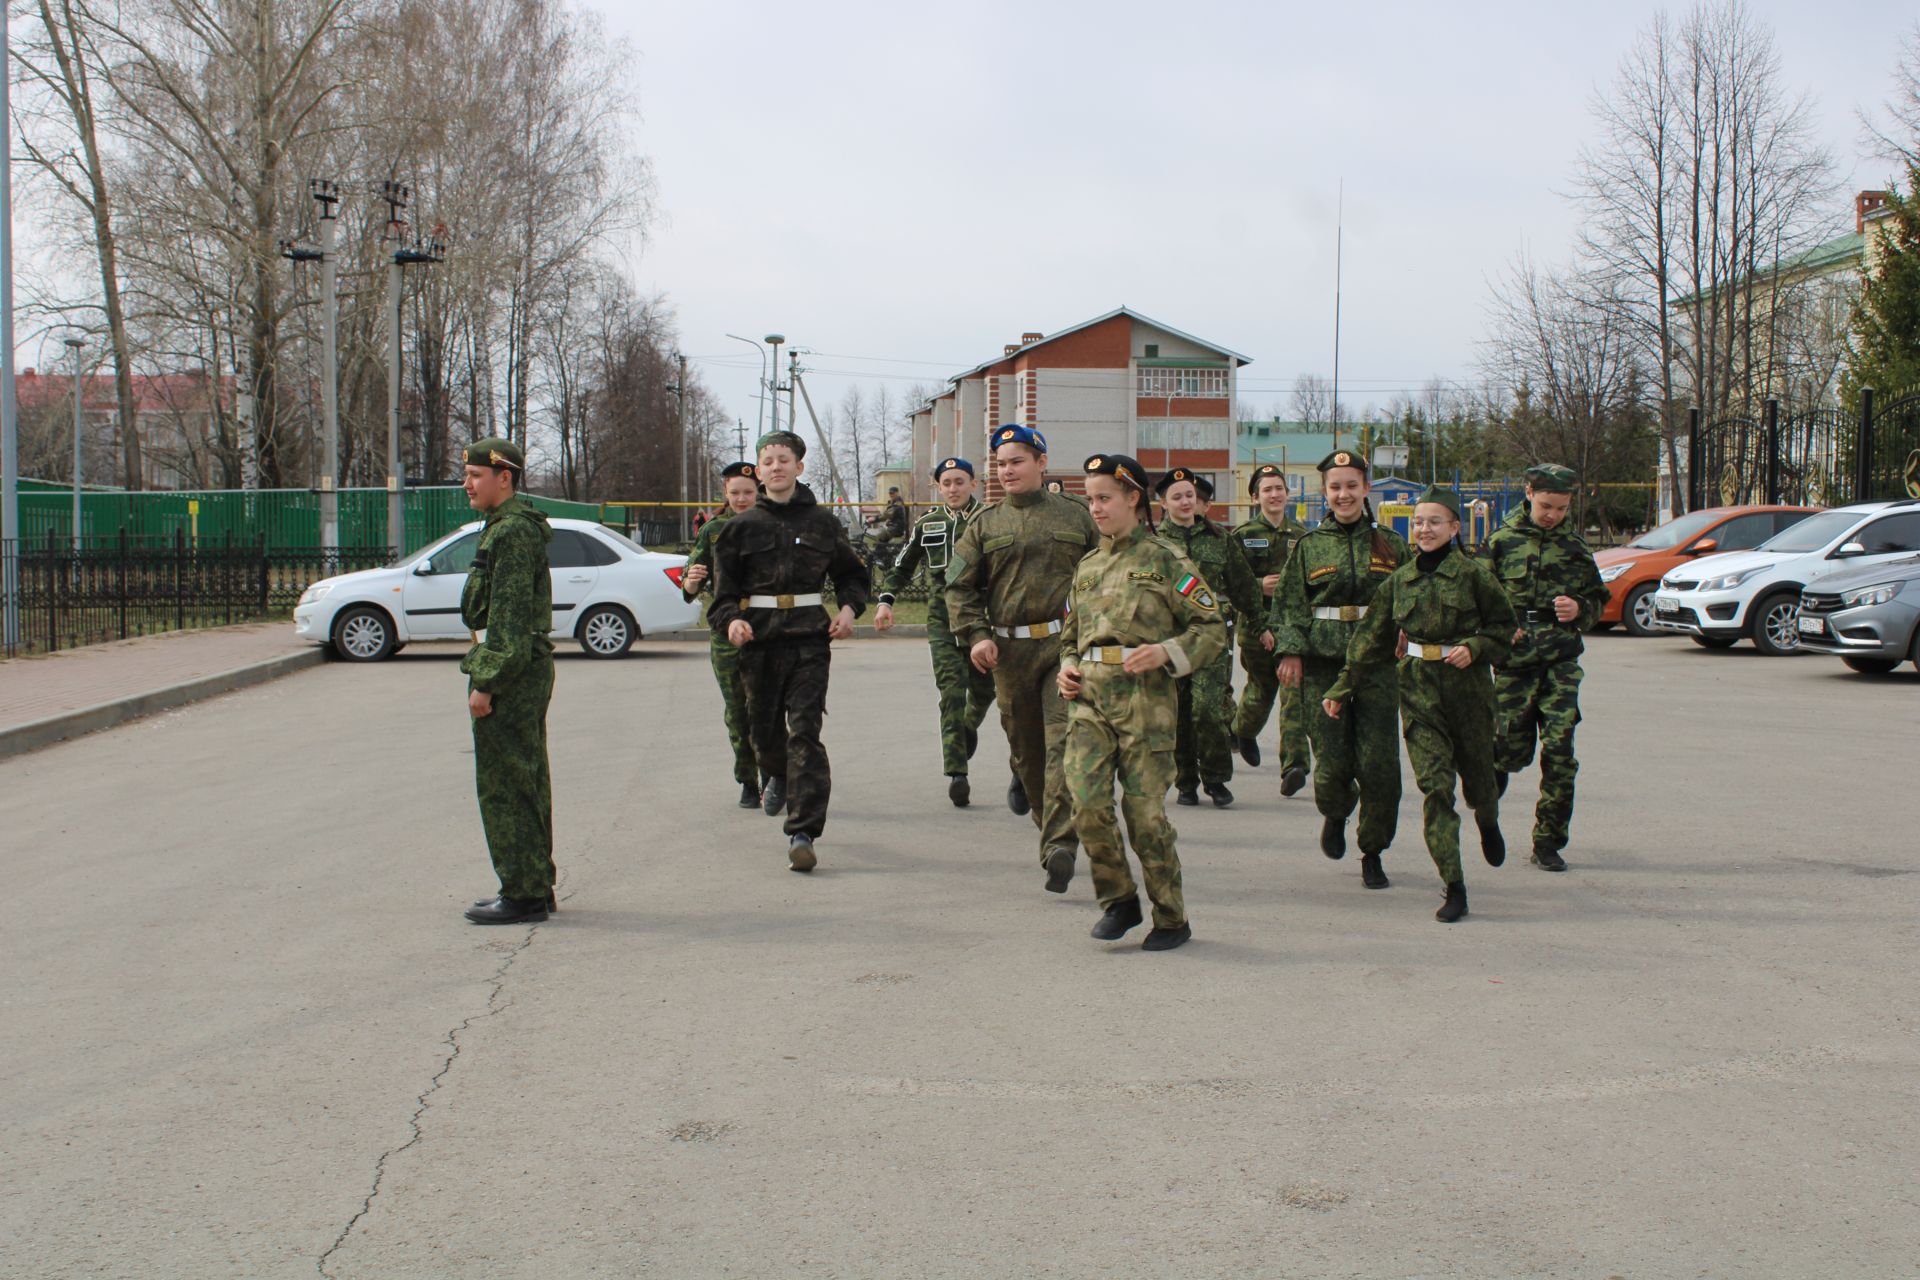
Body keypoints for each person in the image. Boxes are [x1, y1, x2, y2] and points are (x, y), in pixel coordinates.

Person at [1058, 453, 1226, 951]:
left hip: (1145, 704)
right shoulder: (1087, 566)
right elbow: (1071, 635)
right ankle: (1119, 899)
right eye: (1090, 499)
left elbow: (1212, 628)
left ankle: (1171, 917)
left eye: (1105, 498)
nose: (1096, 508)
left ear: (1134, 498)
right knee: (1086, 804)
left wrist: (1166, 652)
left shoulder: (1166, 560)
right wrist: (1067, 667)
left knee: (1145, 816)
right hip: (1088, 698)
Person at [1325, 488, 1514, 922]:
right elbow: (1369, 639)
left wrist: (1477, 645)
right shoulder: (1400, 581)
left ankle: (1488, 821)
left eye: (1433, 522)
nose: (1424, 529)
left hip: (1468, 693)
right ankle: (1454, 884)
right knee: (1436, 788)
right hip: (1418, 691)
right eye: (1418, 522)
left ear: (1454, 528)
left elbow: (1505, 626)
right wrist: (1341, 687)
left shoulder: (1475, 575)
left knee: (1480, 783)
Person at [706, 430, 870, 872]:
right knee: (764, 734)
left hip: (809, 641)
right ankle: (774, 772)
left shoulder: (822, 523)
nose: (776, 467)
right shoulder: (739, 529)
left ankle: (803, 831)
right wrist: (732, 621)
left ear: (799, 466)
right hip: (757, 642)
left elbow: (853, 576)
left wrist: (850, 610)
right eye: (768, 461)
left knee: (805, 732)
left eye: (784, 459)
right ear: (759, 471)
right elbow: (721, 599)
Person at [946, 424, 1098, 893]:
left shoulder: (1076, 516)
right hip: (1008, 654)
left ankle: (1060, 846)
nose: (1007, 470)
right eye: (1001, 462)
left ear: (1041, 462)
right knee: (1027, 754)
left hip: (1064, 647)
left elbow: (1109, 571)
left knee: (1062, 747)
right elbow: (959, 588)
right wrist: (975, 635)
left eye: (1017, 460)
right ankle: (1049, 828)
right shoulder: (985, 524)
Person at [1268, 450, 1409, 890]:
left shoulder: (1391, 544)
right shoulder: (1308, 547)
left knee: (1380, 766)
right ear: (1325, 493)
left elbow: (1412, 595)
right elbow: (1289, 604)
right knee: (1330, 766)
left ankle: (1373, 850)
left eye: (1352, 485)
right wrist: (1290, 651)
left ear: (1366, 489)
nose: (1343, 494)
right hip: (1323, 667)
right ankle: (1335, 810)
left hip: (1377, 668)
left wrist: (1407, 629)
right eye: (1335, 487)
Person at [1480, 463, 1609, 872]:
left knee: (1559, 752)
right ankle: (1487, 812)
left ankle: (1548, 841)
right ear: (1529, 492)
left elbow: (1598, 600)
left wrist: (1581, 609)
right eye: (1547, 505)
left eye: (1562, 508)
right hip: (1515, 665)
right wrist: (1500, 632)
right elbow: (1477, 599)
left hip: (1560, 662)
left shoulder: (1574, 548)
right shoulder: (1500, 542)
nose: (1553, 514)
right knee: (1506, 752)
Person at [458, 438, 558, 925]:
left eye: (476, 475)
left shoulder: (512, 532)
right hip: (523, 665)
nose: (467, 484)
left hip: (511, 671)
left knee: (506, 783)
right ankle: (535, 883)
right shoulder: (506, 527)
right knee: (527, 776)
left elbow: (511, 618)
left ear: (505, 477)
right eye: (468, 475)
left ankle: (522, 892)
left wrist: (487, 682)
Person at [875, 456, 997, 806]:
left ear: (974, 484)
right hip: (942, 620)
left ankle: (967, 729)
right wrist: (886, 602)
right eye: (947, 483)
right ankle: (958, 772)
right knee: (951, 692)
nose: (953, 489)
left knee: (985, 690)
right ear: (938, 487)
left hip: (982, 620)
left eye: (960, 482)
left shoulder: (989, 521)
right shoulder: (928, 524)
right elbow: (902, 566)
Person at [1153, 467, 1264, 808]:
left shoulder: (1219, 540)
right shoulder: (1153, 544)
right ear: (1163, 503)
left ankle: (1215, 778)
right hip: (1170, 641)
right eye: (1177, 497)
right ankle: (1185, 780)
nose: (1185, 502)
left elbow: (1243, 585)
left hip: (1212, 639)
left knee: (1206, 709)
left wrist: (1260, 625)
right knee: (1178, 712)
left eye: (1190, 496)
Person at [679, 461, 764, 808]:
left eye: (748, 492)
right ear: (726, 494)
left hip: (765, 626)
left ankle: (773, 774)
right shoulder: (713, 530)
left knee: (766, 707)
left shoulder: (771, 523)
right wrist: (692, 580)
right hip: (725, 629)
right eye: (735, 493)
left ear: (758, 491)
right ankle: (747, 778)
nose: (742, 499)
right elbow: (690, 575)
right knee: (737, 710)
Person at [1229, 463, 1313, 793]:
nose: (1274, 494)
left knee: (1294, 692)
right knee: (1261, 692)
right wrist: (1257, 585)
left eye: (1279, 488)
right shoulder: (1244, 536)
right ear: (1255, 497)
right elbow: (1231, 583)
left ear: (1287, 494)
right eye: (1267, 489)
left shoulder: (1303, 536)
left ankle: (1294, 765)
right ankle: (1241, 730)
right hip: (1255, 627)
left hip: (1291, 628)